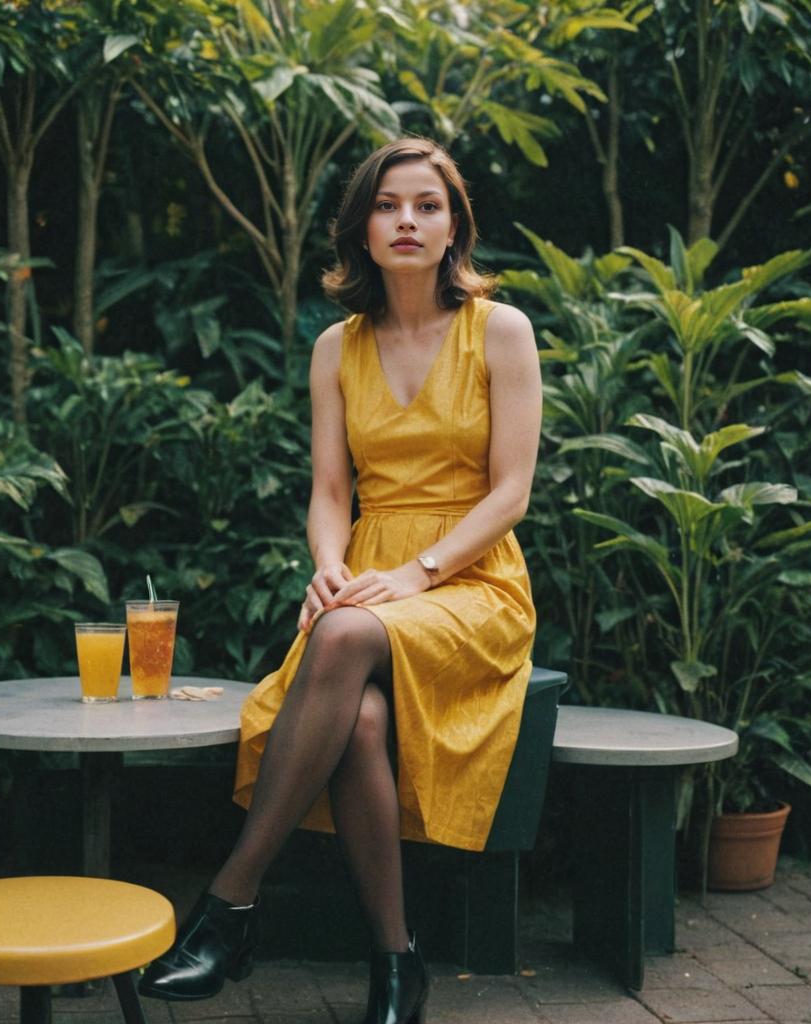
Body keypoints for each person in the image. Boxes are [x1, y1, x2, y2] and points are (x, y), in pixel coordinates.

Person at [138, 137, 541, 1024]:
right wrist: (330, 568)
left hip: (472, 581)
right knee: (357, 717)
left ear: (453, 226)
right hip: (369, 576)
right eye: (388, 204)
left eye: (427, 206)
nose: (407, 220)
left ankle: (229, 901)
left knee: (350, 632)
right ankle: (398, 964)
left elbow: (511, 492)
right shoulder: (336, 347)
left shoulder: (499, 331)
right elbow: (329, 492)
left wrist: (415, 572)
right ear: (362, 225)